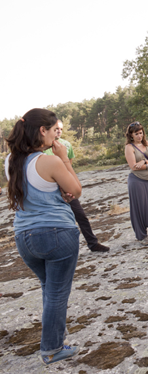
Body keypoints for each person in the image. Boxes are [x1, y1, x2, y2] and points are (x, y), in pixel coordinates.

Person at [4, 109, 82, 365]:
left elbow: (37, 190)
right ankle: (52, 348)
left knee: (49, 288)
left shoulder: (9, 162)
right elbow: (75, 189)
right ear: (42, 131)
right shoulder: (50, 161)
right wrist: (64, 160)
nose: (55, 135)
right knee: (58, 292)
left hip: (24, 237)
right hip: (56, 233)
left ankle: (56, 333)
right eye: (53, 130)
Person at [44, 120, 109, 252]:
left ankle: (93, 243)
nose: (58, 131)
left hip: (66, 186)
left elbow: (69, 166)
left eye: (61, 129)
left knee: (80, 215)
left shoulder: (66, 145)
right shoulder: (44, 147)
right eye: (56, 128)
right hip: (51, 189)